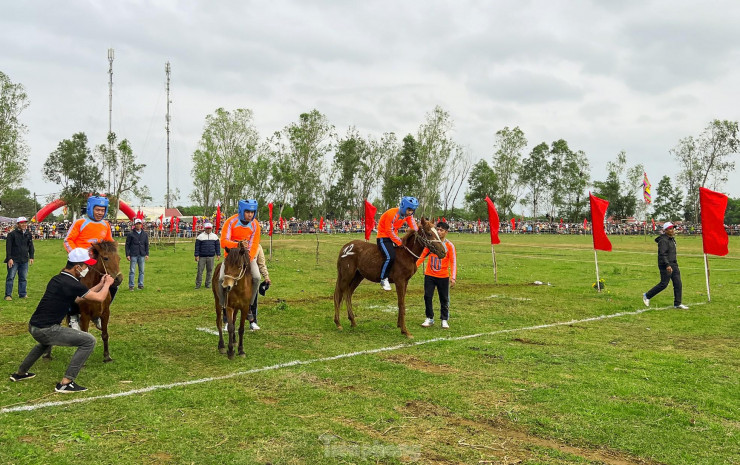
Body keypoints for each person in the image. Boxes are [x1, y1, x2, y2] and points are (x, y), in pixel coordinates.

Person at [9, 248, 114, 393]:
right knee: (89, 341)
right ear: (77, 267)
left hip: (34, 326)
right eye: (85, 266)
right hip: (47, 329)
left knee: (44, 343)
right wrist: (108, 284)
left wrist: (101, 285)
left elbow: (80, 298)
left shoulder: (59, 279)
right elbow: (99, 298)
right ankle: (66, 382)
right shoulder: (72, 284)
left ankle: (20, 373)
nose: (87, 269)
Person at [63, 195, 117, 329]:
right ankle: (73, 315)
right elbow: (68, 240)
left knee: (113, 283)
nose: (100, 213)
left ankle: (99, 312)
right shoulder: (80, 223)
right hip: (80, 262)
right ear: (90, 208)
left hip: (98, 263)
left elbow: (109, 243)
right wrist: (77, 255)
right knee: (71, 286)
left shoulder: (106, 225)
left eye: (102, 210)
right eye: (97, 209)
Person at [219, 199, 261, 312]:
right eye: (248, 212)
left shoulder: (255, 225)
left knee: (257, 277)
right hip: (231, 258)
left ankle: (250, 306)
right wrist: (237, 244)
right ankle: (223, 305)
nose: (250, 215)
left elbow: (254, 245)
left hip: (247, 258)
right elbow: (223, 242)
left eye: (252, 212)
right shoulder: (230, 222)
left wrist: (247, 260)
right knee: (220, 279)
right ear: (242, 211)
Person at [416, 221, 457, 329]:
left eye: (441, 230)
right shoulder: (431, 243)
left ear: (446, 232)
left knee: (444, 298)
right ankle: (429, 318)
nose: (439, 232)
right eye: (437, 229)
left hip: (443, 276)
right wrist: (413, 267)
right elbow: (422, 256)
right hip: (429, 275)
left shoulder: (449, 245)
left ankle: (444, 319)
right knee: (427, 297)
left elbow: (453, 261)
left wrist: (453, 277)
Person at [643, 222, 689, 309]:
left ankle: (677, 303)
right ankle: (647, 295)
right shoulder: (663, 241)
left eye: (673, 228)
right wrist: (667, 265)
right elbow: (662, 254)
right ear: (665, 230)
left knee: (678, 283)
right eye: (670, 229)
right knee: (664, 284)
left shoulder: (671, 239)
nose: (672, 230)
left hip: (674, 264)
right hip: (665, 265)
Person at [376, 196, 418, 291]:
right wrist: (400, 242)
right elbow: (389, 231)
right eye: (409, 210)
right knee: (390, 256)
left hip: (394, 237)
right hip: (383, 237)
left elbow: (414, 226)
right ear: (403, 206)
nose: (410, 212)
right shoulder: (392, 214)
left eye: (412, 210)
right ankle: (384, 278)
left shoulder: (408, 216)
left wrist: (418, 233)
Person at [4, 217, 34, 301]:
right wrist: (9, 258)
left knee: (23, 278)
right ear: (18, 224)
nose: (24, 224)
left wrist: (31, 256)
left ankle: (22, 293)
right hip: (13, 260)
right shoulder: (12, 234)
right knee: (10, 277)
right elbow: (8, 247)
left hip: (24, 259)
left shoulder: (28, 234)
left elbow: (31, 246)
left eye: (25, 223)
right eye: (22, 223)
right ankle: (8, 295)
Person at [248, 244, 272, 331]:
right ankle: (228, 320)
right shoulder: (238, 243)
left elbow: (261, 264)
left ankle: (253, 322)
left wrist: (266, 276)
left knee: (253, 299)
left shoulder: (258, 246)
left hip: (251, 277)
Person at [194, 222, 221, 289]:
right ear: (205, 229)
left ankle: (208, 284)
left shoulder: (215, 236)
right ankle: (198, 284)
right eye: (207, 229)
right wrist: (196, 255)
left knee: (210, 271)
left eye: (209, 229)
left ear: (211, 229)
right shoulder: (200, 236)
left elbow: (217, 246)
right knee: (200, 271)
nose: (208, 230)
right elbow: (197, 247)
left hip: (211, 256)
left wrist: (218, 254)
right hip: (202, 257)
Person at [125, 218, 149, 290]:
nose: (138, 225)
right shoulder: (130, 234)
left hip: (142, 254)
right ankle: (131, 285)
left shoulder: (144, 234)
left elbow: (146, 244)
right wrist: (127, 254)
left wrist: (147, 254)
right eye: (137, 224)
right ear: (134, 225)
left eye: (139, 224)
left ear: (141, 225)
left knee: (141, 271)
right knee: (132, 270)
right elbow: (127, 245)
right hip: (133, 254)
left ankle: (140, 285)